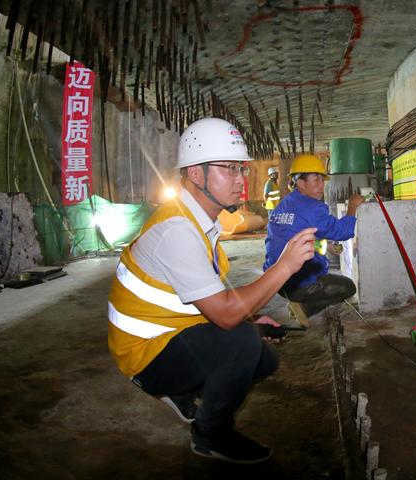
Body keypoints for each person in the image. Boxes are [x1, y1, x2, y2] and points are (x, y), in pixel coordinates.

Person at [107, 117, 317, 464]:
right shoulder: (177, 230)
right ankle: (210, 436)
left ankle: (182, 389)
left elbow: (206, 292)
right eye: (230, 168)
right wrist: (285, 266)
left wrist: (252, 315)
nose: (241, 179)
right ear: (195, 174)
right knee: (242, 343)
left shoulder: (201, 221)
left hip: (172, 329)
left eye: (242, 169)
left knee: (263, 360)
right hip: (142, 354)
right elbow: (224, 313)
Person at [264, 154, 365, 327]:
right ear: (301, 183)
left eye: (322, 180)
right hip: (299, 285)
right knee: (348, 287)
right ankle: (303, 307)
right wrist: (352, 206)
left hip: (275, 281)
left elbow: (295, 238)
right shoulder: (314, 207)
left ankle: (298, 302)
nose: (321, 185)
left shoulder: (284, 204)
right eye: (316, 180)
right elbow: (344, 231)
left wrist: (326, 245)